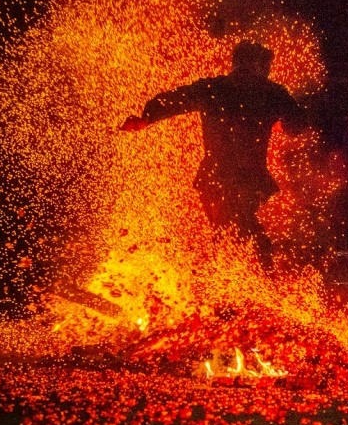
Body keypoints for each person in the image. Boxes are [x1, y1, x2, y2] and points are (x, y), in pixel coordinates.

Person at [121, 40, 308, 271]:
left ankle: (227, 281)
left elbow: (175, 99)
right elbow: (298, 123)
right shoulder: (271, 92)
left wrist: (147, 117)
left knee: (227, 230)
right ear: (259, 65)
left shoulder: (213, 88)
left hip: (214, 178)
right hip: (248, 178)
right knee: (240, 229)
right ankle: (256, 279)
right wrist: (281, 123)